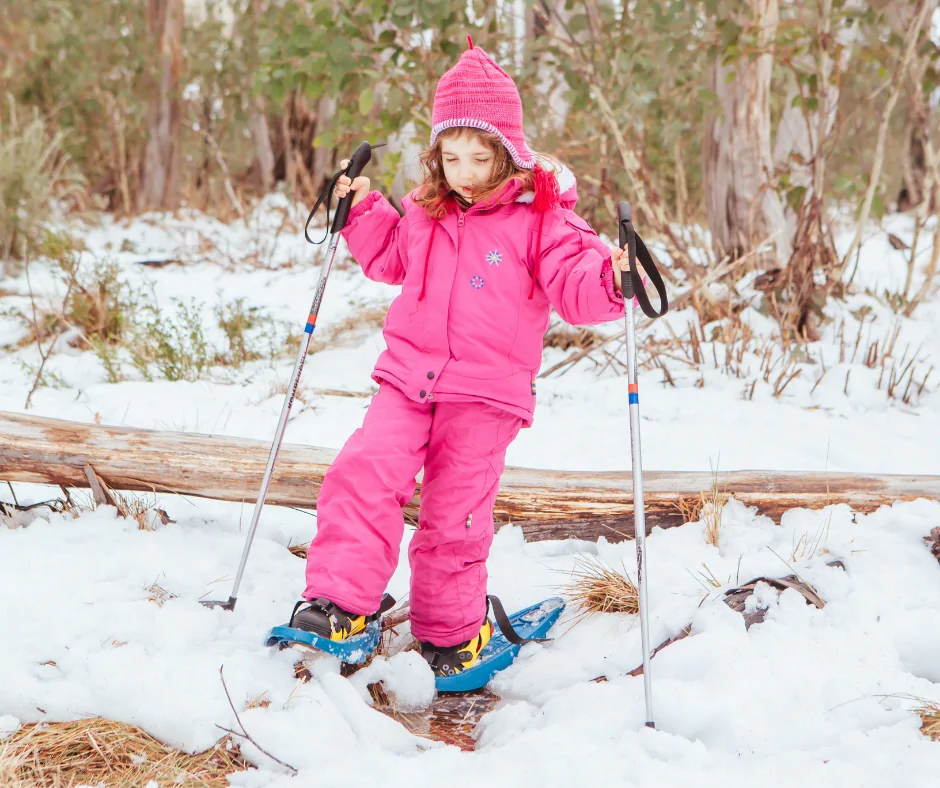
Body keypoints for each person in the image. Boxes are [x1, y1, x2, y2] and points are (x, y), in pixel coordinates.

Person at [291, 38, 636, 677]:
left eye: (481, 157)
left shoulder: (544, 221)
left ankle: (452, 635)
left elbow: (574, 280)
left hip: (484, 394)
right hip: (407, 379)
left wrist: (613, 280)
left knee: (456, 512)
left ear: (508, 151)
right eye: (452, 156)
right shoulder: (425, 210)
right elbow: (391, 257)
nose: (466, 171)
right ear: (435, 153)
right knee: (365, 470)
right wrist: (362, 208)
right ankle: (341, 605)